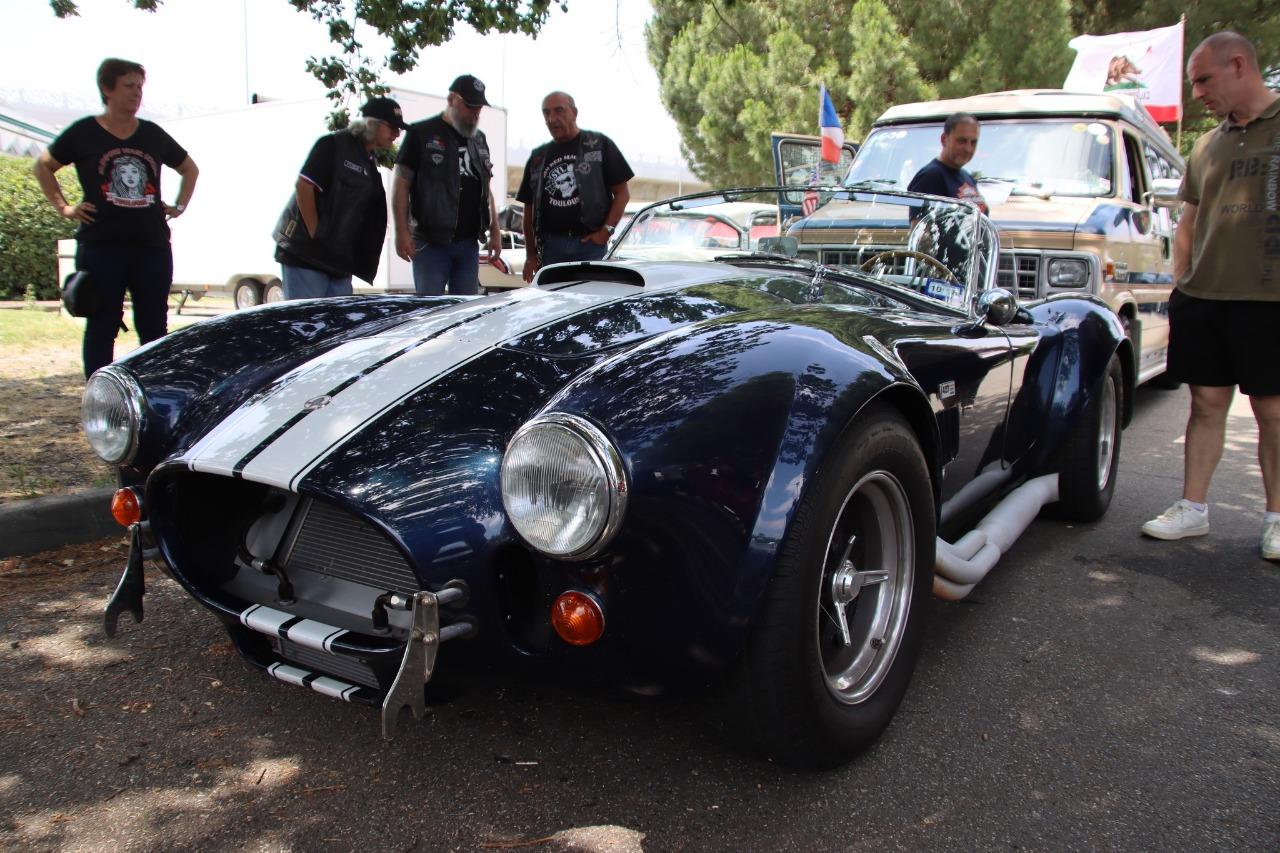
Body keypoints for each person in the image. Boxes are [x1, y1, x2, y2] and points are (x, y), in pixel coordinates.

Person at [1139, 31, 1280, 561]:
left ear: (1239, 64)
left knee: (1272, 411)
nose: (1197, 92)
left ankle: (1276, 520)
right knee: (1205, 404)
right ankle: (1192, 508)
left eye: (1204, 79)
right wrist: (1183, 282)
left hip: (1269, 299)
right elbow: (1189, 220)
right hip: (1205, 298)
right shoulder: (1206, 145)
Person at [33, 57, 198, 378]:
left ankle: (153, 391)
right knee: (102, 323)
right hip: (101, 246)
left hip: (151, 246)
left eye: (140, 86)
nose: (136, 93)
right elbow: (43, 166)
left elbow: (189, 168)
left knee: (154, 327)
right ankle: (100, 394)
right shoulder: (83, 132)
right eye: (128, 86)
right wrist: (64, 207)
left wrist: (180, 205)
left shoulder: (152, 134)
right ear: (107, 90)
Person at [273, 97, 406, 299]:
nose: (397, 134)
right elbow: (304, 186)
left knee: (339, 319)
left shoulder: (368, 161)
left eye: (399, 129)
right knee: (308, 318)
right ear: (372, 123)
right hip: (306, 257)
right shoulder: (333, 144)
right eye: (392, 128)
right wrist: (316, 234)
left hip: (339, 262)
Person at [392, 75, 501, 296]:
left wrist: (495, 231)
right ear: (452, 99)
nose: (475, 113)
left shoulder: (479, 139)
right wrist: (401, 231)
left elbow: (486, 188)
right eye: (470, 106)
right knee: (430, 308)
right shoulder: (420, 133)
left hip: (469, 243)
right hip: (430, 242)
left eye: (479, 108)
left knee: (467, 309)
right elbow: (401, 184)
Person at [517, 91, 633, 282]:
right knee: (552, 299)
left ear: (574, 112)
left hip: (590, 246)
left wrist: (605, 232)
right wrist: (530, 255)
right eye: (546, 113)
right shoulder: (538, 157)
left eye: (559, 111)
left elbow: (622, 193)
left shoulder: (598, 144)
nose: (552, 119)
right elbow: (528, 209)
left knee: (591, 298)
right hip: (551, 247)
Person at [907, 112, 987, 212]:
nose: (968, 148)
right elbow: (920, 221)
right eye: (962, 141)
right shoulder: (930, 177)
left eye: (973, 142)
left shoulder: (967, 177)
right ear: (944, 139)